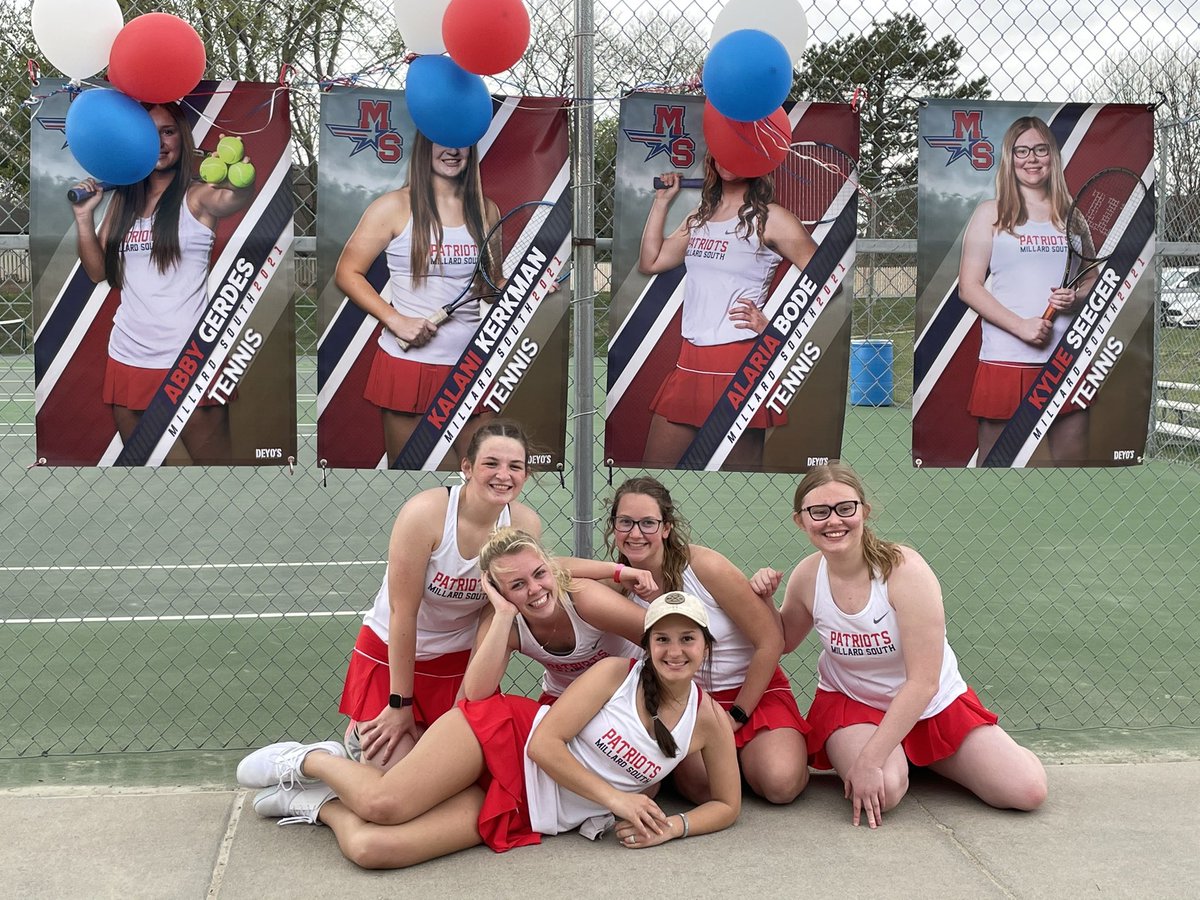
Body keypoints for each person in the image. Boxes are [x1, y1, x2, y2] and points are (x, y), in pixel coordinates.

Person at [237, 592, 740, 869]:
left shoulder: (710, 722)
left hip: (532, 805)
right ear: (648, 645)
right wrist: (618, 799)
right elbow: (544, 744)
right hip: (505, 737)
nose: (675, 651)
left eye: (688, 639)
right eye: (663, 639)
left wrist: (674, 827)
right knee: (382, 806)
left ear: (705, 646)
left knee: (375, 850)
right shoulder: (615, 673)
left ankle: (317, 803)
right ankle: (309, 760)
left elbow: (727, 806)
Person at [751, 462, 1048, 828]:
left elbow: (924, 682)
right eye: (819, 512)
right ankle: (905, 760)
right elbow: (782, 641)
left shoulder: (905, 571)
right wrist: (765, 599)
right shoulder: (808, 576)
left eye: (846, 508)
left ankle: (919, 754)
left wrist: (871, 760)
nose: (834, 521)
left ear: (864, 510)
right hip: (853, 703)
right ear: (801, 520)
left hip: (931, 705)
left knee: (1028, 791)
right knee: (886, 793)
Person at [575, 475, 808, 805]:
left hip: (752, 692)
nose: (635, 533)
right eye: (625, 522)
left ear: (666, 527)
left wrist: (737, 715)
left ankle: (756, 756)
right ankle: (717, 764)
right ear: (613, 526)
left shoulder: (702, 566)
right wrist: (614, 572)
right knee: (704, 791)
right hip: (688, 704)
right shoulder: (618, 585)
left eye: (648, 523)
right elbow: (550, 571)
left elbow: (770, 641)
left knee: (780, 784)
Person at [338, 420, 540, 771]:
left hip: (457, 665)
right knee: (397, 776)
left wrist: (465, 702)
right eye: (491, 463)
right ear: (467, 467)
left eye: (515, 466)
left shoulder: (524, 525)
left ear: (525, 474)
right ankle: (318, 762)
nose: (503, 475)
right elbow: (403, 612)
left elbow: (492, 615)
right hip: (394, 656)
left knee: (451, 776)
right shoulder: (426, 514)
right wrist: (400, 704)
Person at [71, 104, 255, 463]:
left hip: (189, 357)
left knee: (215, 479)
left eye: (168, 131)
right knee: (145, 473)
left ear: (182, 139)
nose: (158, 142)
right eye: (148, 133)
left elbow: (234, 196)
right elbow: (99, 273)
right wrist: (83, 217)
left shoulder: (197, 196)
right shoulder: (123, 201)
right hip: (128, 354)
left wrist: (237, 174)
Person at [636, 153, 818, 468]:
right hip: (688, 363)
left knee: (737, 484)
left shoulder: (772, 218)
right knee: (655, 473)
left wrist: (770, 327)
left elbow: (829, 280)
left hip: (740, 366)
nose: (728, 155)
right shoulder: (699, 217)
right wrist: (662, 202)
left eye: (738, 148)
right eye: (722, 148)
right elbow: (651, 262)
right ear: (712, 161)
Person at [335, 132, 500, 467]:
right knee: (421, 480)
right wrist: (396, 320)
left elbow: (490, 284)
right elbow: (347, 272)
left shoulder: (486, 210)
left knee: (482, 480)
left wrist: (529, 286)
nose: (453, 149)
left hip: (470, 364)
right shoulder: (393, 207)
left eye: (462, 140)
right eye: (443, 139)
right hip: (407, 368)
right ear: (425, 145)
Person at [958, 116, 1090, 465]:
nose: (1031, 159)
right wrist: (1022, 326)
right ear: (1010, 158)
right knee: (996, 463)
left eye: (1040, 149)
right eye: (1021, 151)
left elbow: (1092, 280)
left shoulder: (1073, 217)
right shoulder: (990, 213)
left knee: (1072, 466)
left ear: (1053, 156)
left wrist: (1075, 298)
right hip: (1005, 356)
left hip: (1065, 357)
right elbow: (968, 288)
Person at [464, 527, 647, 704]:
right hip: (566, 700)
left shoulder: (582, 597)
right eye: (517, 585)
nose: (535, 589)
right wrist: (504, 613)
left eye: (540, 573)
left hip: (629, 688)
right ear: (498, 592)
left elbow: (662, 637)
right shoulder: (505, 623)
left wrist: (616, 571)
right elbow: (476, 694)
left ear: (551, 569)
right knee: (478, 712)